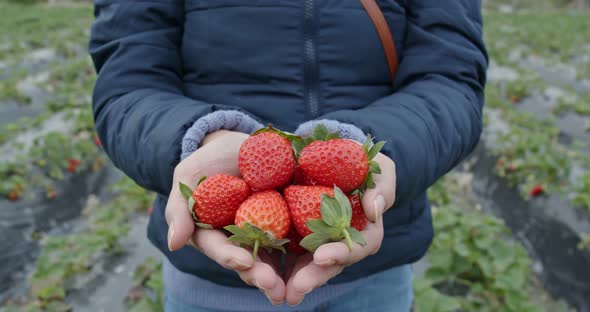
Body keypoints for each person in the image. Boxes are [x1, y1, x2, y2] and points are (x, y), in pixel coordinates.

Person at [89, 0, 487, 311]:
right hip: (211, 281)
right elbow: (127, 83)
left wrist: (362, 149)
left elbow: (451, 78)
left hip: (376, 271)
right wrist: (199, 139)